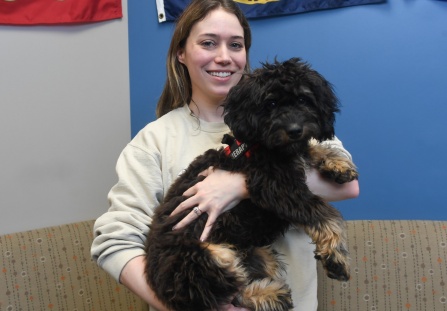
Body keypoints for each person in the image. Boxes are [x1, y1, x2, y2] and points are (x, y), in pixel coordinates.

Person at [91, 0, 360, 310]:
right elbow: (115, 241)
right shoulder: (154, 141)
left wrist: (240, 185)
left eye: (235, 44)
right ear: (181, 52)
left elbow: (348, 185)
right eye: (208, 43)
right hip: (203, 281)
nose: (223, 56)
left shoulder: (296, 120)